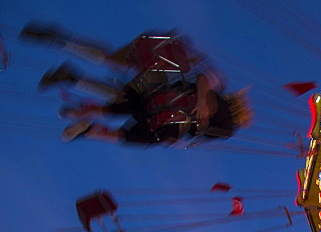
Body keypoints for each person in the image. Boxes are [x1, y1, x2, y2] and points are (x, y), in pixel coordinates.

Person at [22, 23, 250, 144]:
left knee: (121, 92)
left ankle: (71, 75)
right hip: (161, 63)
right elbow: (203, 78)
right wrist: (201, 99)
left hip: (157, 77)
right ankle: (61, 42)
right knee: (113, 64)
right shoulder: (217, 82)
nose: (205, 113)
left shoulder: (198, 118)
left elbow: (183, 131)